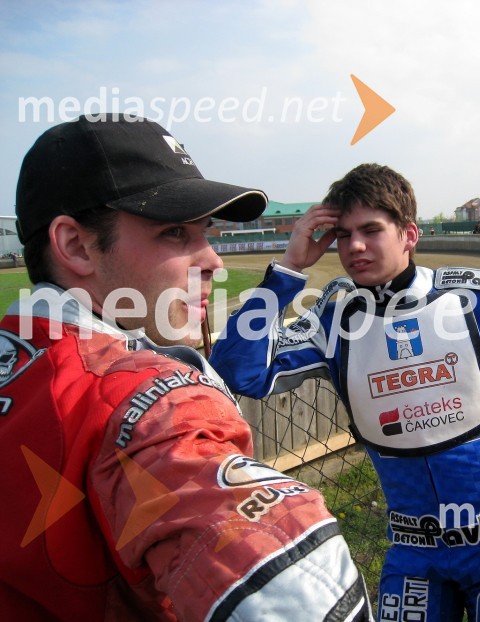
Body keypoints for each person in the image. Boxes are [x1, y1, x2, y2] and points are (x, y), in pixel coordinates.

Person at [0, 114, 371, 621]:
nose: (213, 261)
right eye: (175, 232)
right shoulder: (152, 403)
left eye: (206, 231)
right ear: (74, 245)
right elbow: (309, 601)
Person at [210, 163, 480, 621]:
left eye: (371, 230)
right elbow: (236, 371)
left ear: (409, 234)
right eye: (343, 234)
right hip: (414, 552)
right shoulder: (333, 319)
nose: (354, 246)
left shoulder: (475, 296)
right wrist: (288, 269)